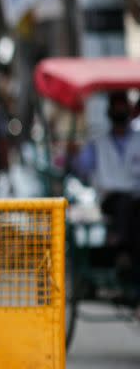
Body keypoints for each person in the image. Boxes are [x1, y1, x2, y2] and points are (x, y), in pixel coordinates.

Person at [75, 91, 140, 292]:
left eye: (123, 107)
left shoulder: (138, 139)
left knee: (134, 211)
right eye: (116, 107)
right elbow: (81, 168)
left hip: (136, 200)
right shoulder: (98, 142)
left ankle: (124, 252)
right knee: (124, 204)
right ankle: (121, 247)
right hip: (110, 200)